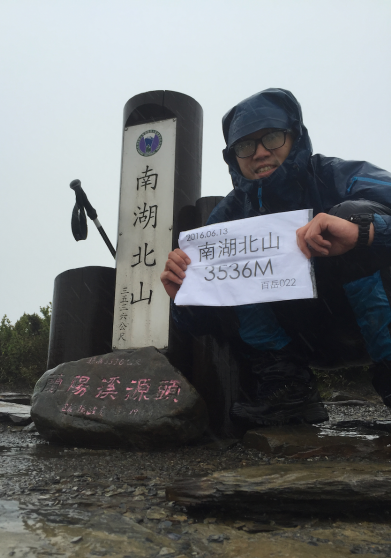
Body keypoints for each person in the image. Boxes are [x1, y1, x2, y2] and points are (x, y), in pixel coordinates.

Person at [160, 88, 391, 426]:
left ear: (295, 136)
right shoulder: (228, 218)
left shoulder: (338, 175)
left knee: (354, 213)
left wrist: (365, 230)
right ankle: (287, 388)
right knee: (229, 254)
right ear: (232, 157)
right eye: (244, 145)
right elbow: (205, 322)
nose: (259, 152)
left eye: (271, 136)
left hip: (366, 322)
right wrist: (185, 297)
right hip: (303, 339)